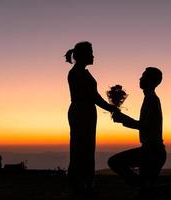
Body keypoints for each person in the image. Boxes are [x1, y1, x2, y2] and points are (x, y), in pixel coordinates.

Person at [65, 41, 118, 196]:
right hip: (81, 111)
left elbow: (94, 96)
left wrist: (110, 106)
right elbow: (93, 96)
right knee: (80, 148)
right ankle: (79, 186)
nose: (93, 56)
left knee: (86, 148)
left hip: (86, 111)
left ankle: (85, 184)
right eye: (91, 53)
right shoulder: (76, 73)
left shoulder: (83, 72)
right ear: (83, 55)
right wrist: (111, 107)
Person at [108, 67, 166, 199]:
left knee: (114, 162)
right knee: (145, 192)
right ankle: (144, 186)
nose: (140, 78)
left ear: (152, 81)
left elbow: (145, 126)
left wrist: (123, 119)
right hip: (153, 151)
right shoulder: (150, 99)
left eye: (144, 76)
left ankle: (143, 185)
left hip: (152, 152)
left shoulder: (151, 100)